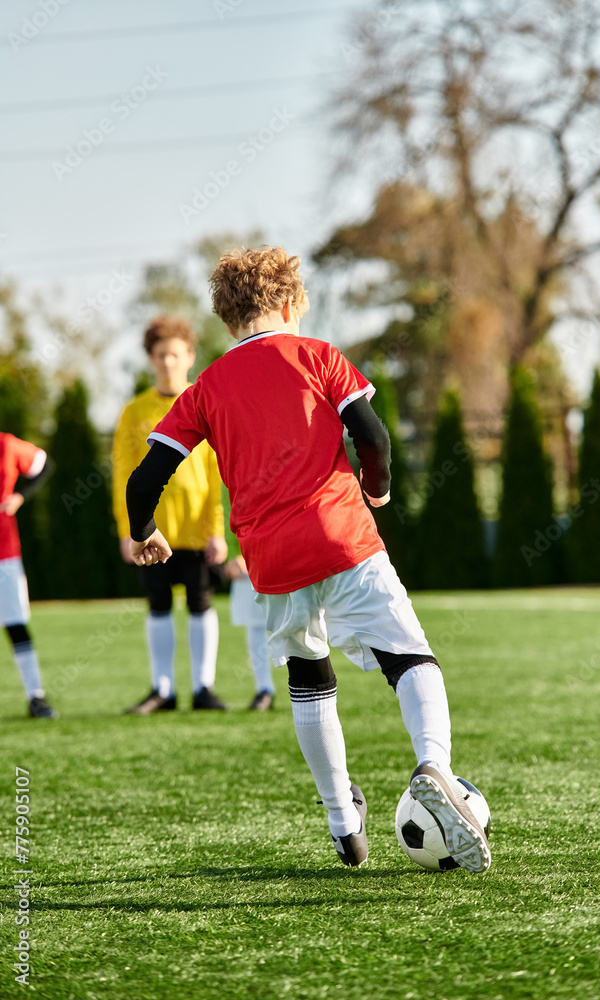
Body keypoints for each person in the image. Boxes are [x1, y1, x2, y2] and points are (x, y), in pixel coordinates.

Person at [124, 246, 491, 873]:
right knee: (409, 657)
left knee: (308, 677)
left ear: (226, 318)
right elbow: (372, 436)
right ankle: (435, 764)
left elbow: (147, 475)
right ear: (292, 303)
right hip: (344, 537)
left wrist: (144, 530)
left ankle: (343, 821)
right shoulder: (318, 354)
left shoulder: (207, 387)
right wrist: (375, 489)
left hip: (272, 560)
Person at [112, 315, 228, 714]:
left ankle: (203, 688)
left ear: (189, 356)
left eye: (175, 354)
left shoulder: (206, 402)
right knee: (158, 604)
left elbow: (218, 473)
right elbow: (122, 475)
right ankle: (162, 689)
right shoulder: (134, 411)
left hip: (196, 531)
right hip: (151, 531)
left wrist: (217, 530)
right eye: (160, 355)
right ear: (151, 359)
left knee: (201, 602)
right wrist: (129, 530)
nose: (168, 362)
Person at [0, 432, 57, 718]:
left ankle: (36, 698)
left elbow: (44, 465)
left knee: (15, 625)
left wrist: (20, 496)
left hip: (4, 552)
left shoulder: (7, 445)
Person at [224, 555, 275, 711]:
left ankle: (310, 688)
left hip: (288, 555)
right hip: (255, 561)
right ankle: (264, 688)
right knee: (256, 624)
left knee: (301, 626)